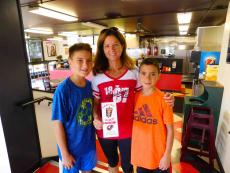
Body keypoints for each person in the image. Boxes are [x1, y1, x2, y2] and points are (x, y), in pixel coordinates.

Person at [91, 27, 174, 173]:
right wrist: (96, 117)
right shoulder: (97, 76)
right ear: (102, 49)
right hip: (106, 129)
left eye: (116, 44)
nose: (112, 49)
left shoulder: (133, 72)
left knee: (128, 166)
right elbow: (95, 102)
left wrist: (166, 98)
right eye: (107, 45)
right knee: (112, 163)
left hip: (129, 129)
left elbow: (146, 93)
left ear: (122, 46)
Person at [52, 43, 97, 173]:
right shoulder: (63, 90)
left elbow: (93, 110)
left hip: (88, 146)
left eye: (89, 61)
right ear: (70, 62)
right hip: (70, 149)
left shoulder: (90, 86)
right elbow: (57, 124)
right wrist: (65, 154)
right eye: (80, 60)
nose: (85, 65)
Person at [131, 58, 174, 173]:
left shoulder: (164, 99)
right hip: (141, 157)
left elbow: (170, 130)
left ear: (159, 76)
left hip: (159, 157)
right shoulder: (134, 97)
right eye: (144, 73)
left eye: (153, 74)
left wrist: (167, 155)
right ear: (139, 75)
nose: (147, 78)